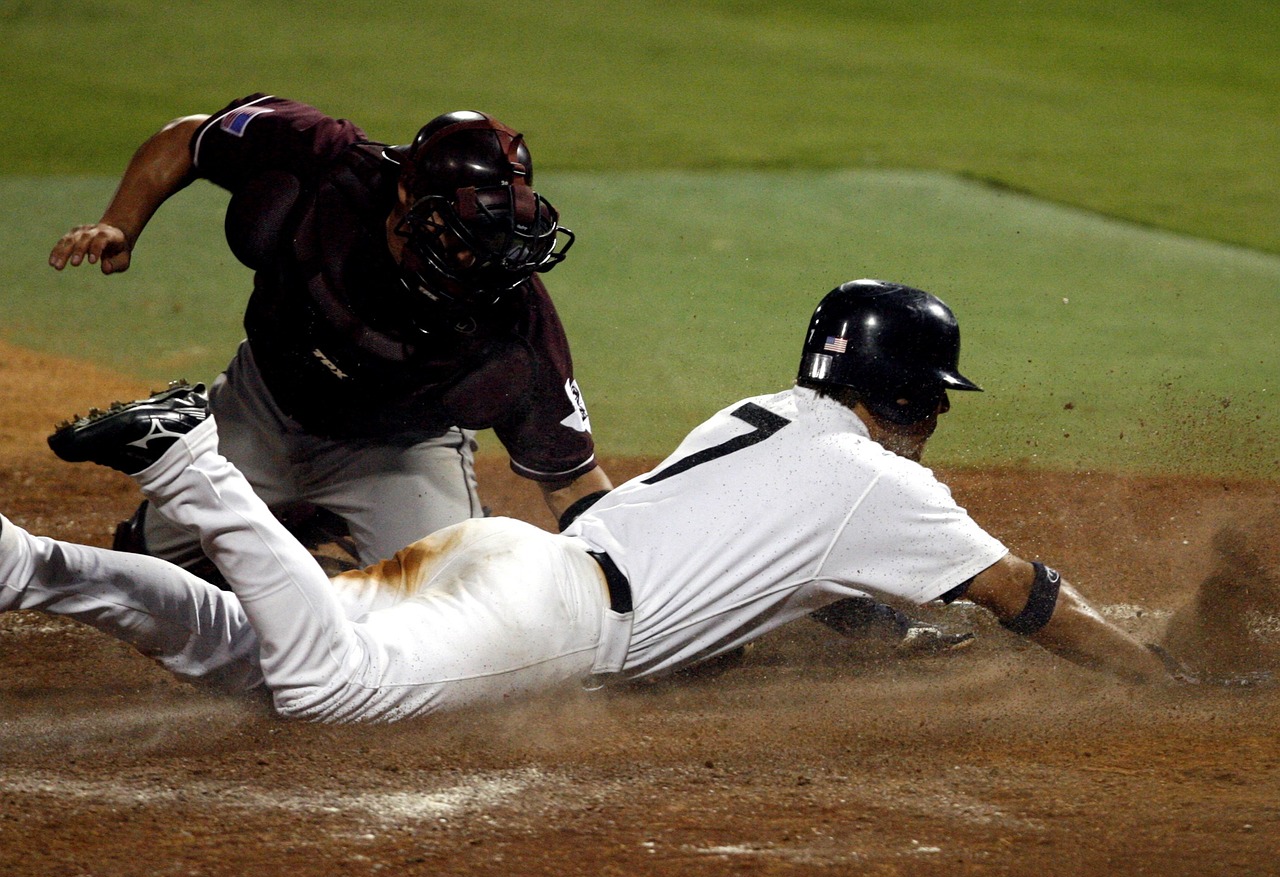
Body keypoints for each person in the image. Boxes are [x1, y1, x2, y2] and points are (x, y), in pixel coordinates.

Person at [4, 280, 1176, 722]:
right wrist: (1157, 683)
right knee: (322, 689)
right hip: (551, 619)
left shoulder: (765, 415)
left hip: (502, 554)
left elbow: (783, 563)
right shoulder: (889, 489)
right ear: (912, 390)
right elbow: (1025, 595)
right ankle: (187, 460)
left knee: (245, 652)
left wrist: (879, 633)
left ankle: (18, 563)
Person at [47, 93, 612, 578]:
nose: (475, 258)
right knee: (151, 569)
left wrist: (630, 576)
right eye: (460, 235)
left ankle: (343, 526)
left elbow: (571, 479)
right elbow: (191, 138)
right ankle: (299, 527)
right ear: (407, 195)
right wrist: (121, 223)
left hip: (398, 455)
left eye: (490, 236)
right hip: (258, 409)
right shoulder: (319, 163)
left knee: (451, 605)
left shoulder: (516, 317)